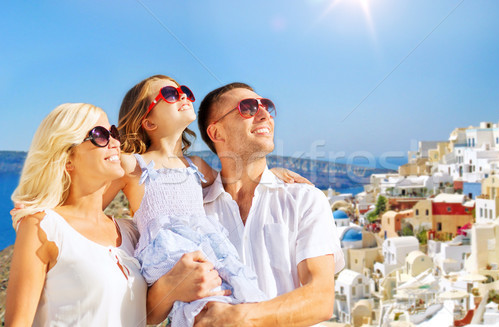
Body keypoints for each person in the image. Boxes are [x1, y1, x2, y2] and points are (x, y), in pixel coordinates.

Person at [105, 75, 307, 325]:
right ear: (148, 121)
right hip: (169, 254)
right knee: (204, 306)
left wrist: (270, 174)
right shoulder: (132, 165)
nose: (183, 96)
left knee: (233, 297)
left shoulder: (196, 165)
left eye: (185, 91)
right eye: (169, 94)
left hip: (206, 248)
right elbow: (91, 203)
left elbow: (234, 180)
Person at [190, 82, 345, 326]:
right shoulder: (193, 211)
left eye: (267, 106)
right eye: (248, 108)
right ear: (216, 133)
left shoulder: (305, 200)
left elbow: (320, 298)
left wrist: (240, 317)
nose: (264, 115)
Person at [5, 103, 146, 326]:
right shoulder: (42, 227)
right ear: (67, 159)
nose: (116, 142)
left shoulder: (131, 232)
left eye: (114, 133)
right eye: (100, 135)